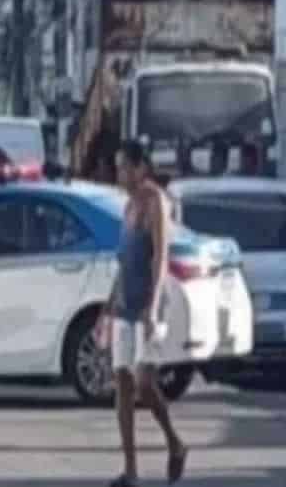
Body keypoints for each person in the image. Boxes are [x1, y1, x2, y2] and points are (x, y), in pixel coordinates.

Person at [100, 141, 187, 487]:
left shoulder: (155, 202)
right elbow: (124, 262)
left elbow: (160, 258)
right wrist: (108, 306)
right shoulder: (127, 206)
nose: (119, 174)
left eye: (124, 167)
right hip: (124, 302)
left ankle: (174, 442)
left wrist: (152, 307)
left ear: (140, 168)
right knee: (122, 383)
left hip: (150, 303)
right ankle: (131, 470)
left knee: (144, 383)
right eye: (118, 167)